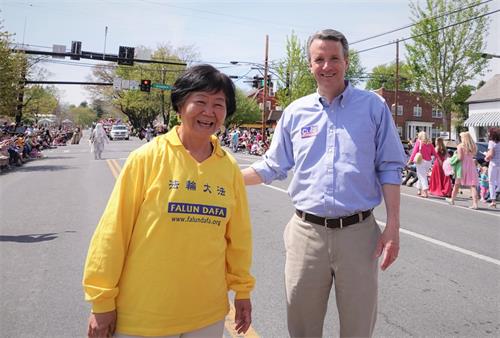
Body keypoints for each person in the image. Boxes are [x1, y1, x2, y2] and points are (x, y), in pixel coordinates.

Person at [242, 29, 405, 338]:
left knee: (358, 329)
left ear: (346, 62)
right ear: (309, 65)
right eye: (319, 59)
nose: (327, 66)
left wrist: (393, 226)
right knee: (302, 328)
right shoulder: (294, 112)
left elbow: (390, 167)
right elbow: (273, 165)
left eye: (334, 58)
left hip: (359, 236)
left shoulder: (374, 108)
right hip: (306, 235)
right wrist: (223, 176)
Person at [83, 64, 254, 338]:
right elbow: (113, 232)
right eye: (200, 102)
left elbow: (239, 238)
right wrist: (101, 301)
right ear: (180, 105)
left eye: (218, 104)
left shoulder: (229, 168)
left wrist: (242, 291)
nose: (209, 112)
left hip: (206, 316)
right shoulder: (146, 158)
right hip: (143, 316)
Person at [446, 131, 479, 209]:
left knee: (457, 184)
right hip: (471, 165)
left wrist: (453, 158)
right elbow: (473, 155)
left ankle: (452, 200)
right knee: (472, 185)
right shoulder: (473, 146)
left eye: (461, 137)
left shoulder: (460, 146)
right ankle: (475, 204)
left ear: (463, 138)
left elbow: (460, 157)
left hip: (462, 166)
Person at [408, 131, 438, 198]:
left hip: (420, 161)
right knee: (420, 175)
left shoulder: (418, 142)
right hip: (428, 162)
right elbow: (434, 153)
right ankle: (419, 189)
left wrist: (410, 161)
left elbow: (414, 152)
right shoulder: (430, 143)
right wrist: (438, 159)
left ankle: (425, 192)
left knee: (422, 176)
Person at [485, 127, 500, 208]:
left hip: (494, 164)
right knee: (498, 181)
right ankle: (498, 191)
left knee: (491, 182)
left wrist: (486, 157)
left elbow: (491, 154)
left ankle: (493, 201)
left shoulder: (491, 142)